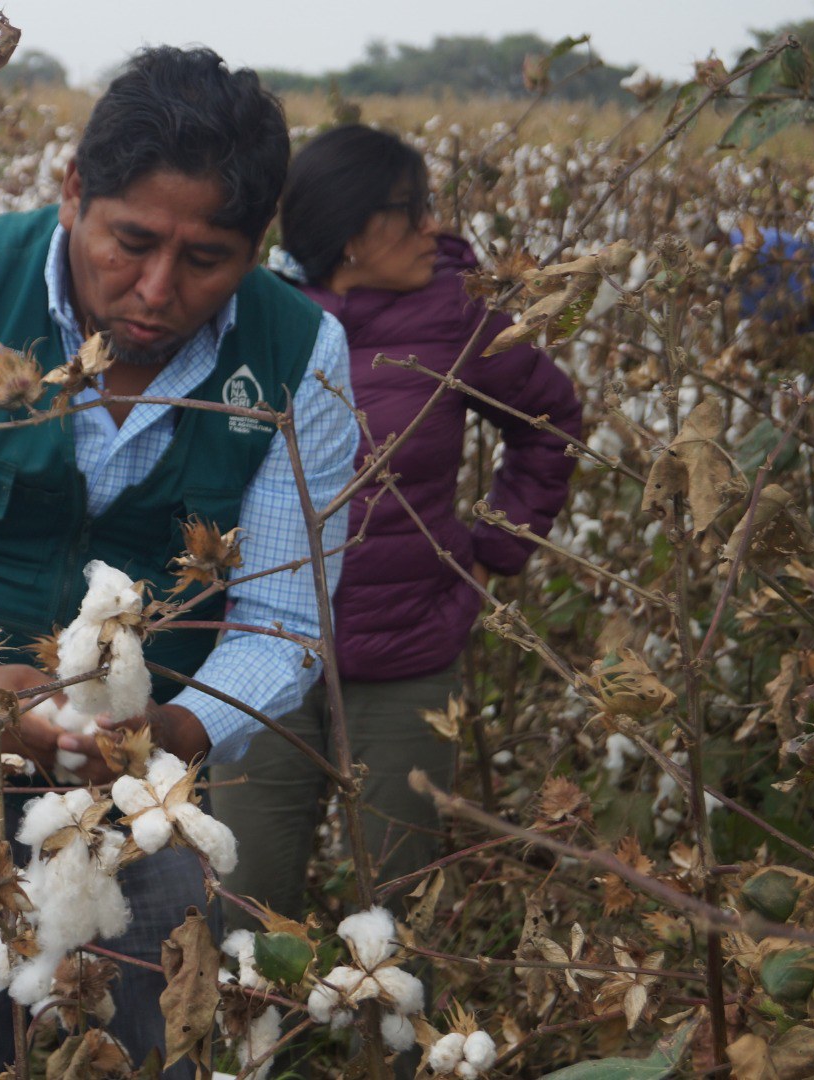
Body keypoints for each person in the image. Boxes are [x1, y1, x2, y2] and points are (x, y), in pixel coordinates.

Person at [0, 48, 357, 1078]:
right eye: (129, 243)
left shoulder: (296, 353)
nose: (156, 289)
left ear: (256, 244)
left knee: (158, 1025)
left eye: (207, 259)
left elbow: (282, 621)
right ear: (73, 189)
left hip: (143, 774)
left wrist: (173, 730)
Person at [212, 124, 583, 930]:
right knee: (244, 907)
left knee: (400, 914)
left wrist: (494, 549)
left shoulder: (454, 316)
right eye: (408, 210)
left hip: (405, 656)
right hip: (257, 662)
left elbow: (549, 418)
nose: (432, 229)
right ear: (347, 228)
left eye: (428, 208)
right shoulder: (252, 316)